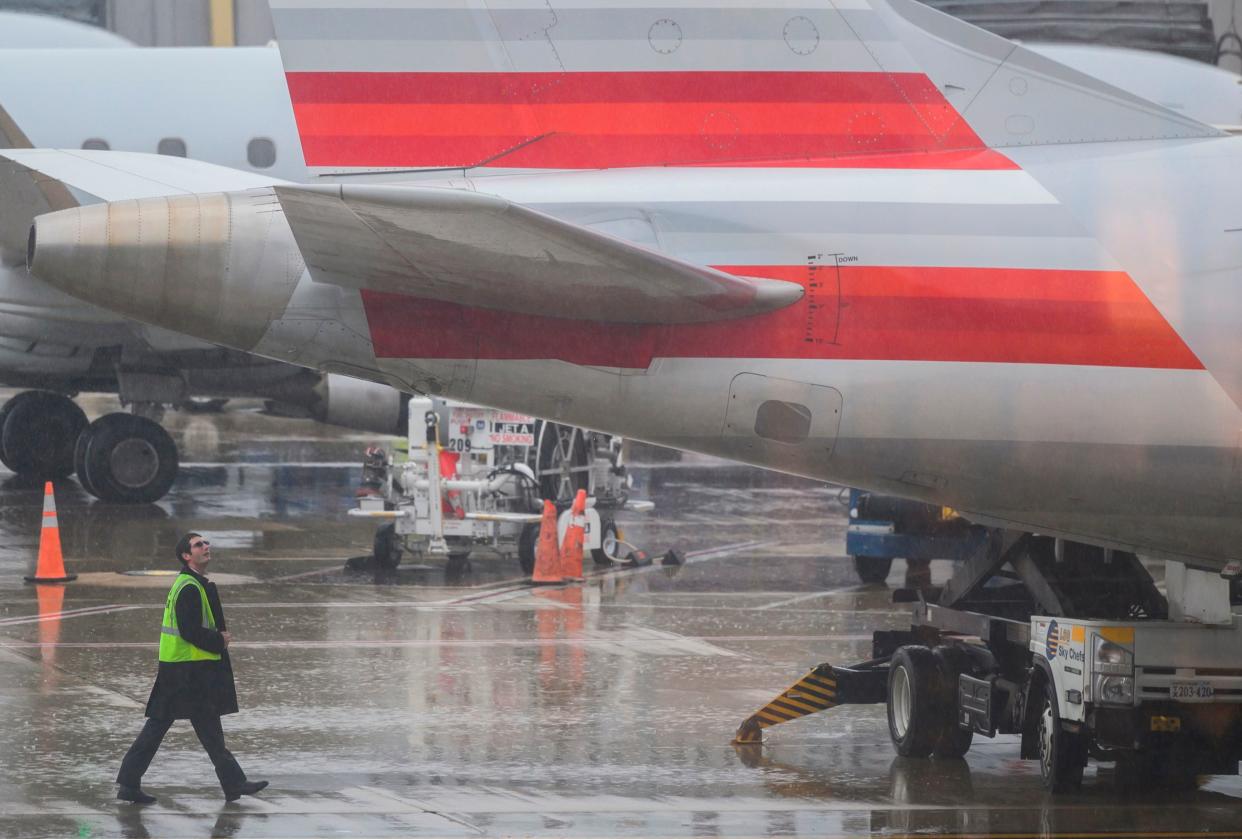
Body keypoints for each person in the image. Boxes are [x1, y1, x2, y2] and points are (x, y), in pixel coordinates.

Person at [116, 532, 268, 804]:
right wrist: (218, 640)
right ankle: (128, 782)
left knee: (206, 728)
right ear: (187, 556)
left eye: (206, 543)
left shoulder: (192, 583)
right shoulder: (189, 587)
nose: (206, 546)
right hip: (186, 672)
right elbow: (189, 631)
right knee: (162, 727)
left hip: (187, 669)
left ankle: (234, 783)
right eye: (199, 545)